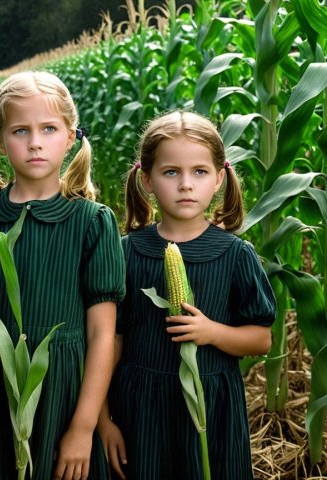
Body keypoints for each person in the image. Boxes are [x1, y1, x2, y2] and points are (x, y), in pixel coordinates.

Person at [0, 70, 126, 479]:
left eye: (49, 128)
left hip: (65, 390)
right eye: (20, 130)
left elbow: (102, 335)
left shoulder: (92, 222)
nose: (34, 142)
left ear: (70, 137)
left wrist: (84, 427)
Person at [99, 110, 276, 479]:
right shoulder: (126, 252)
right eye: (170, 172)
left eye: (199, 172)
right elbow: (107, 343)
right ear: (146, 180)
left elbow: (260, 339)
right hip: (141, 407)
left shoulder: (234, 255)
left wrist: (213, 333)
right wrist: (102, 421)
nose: (185, 184)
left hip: (210, 409)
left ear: (219, 179)